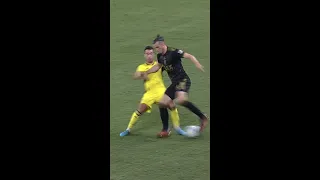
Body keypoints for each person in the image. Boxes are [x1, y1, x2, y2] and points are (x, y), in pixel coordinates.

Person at [142, 35, 209, 132]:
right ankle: (165, 129)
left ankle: (203, 117)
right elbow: (158, 66)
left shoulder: (173, 52)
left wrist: (197, 63)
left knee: (181, 100)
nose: (156, 50)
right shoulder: (160, 56)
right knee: (162, 103)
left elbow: (189, 56)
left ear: (162, 44)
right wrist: (147, 72)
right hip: (175, 83)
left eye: (157, 47)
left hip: (183, 80)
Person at [120, 46, 187, 137]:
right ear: (144, 55)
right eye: (147, 54)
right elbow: (135, 76)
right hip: (149, 93)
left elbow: (169, 66)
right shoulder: (141, 67)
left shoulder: (159, 64)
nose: (149, 56)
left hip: (161, 91)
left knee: (172, 105)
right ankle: (128, 129)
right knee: (140, 110)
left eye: (151, 53)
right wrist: (140, 75)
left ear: (154, 54)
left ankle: (178, 128)